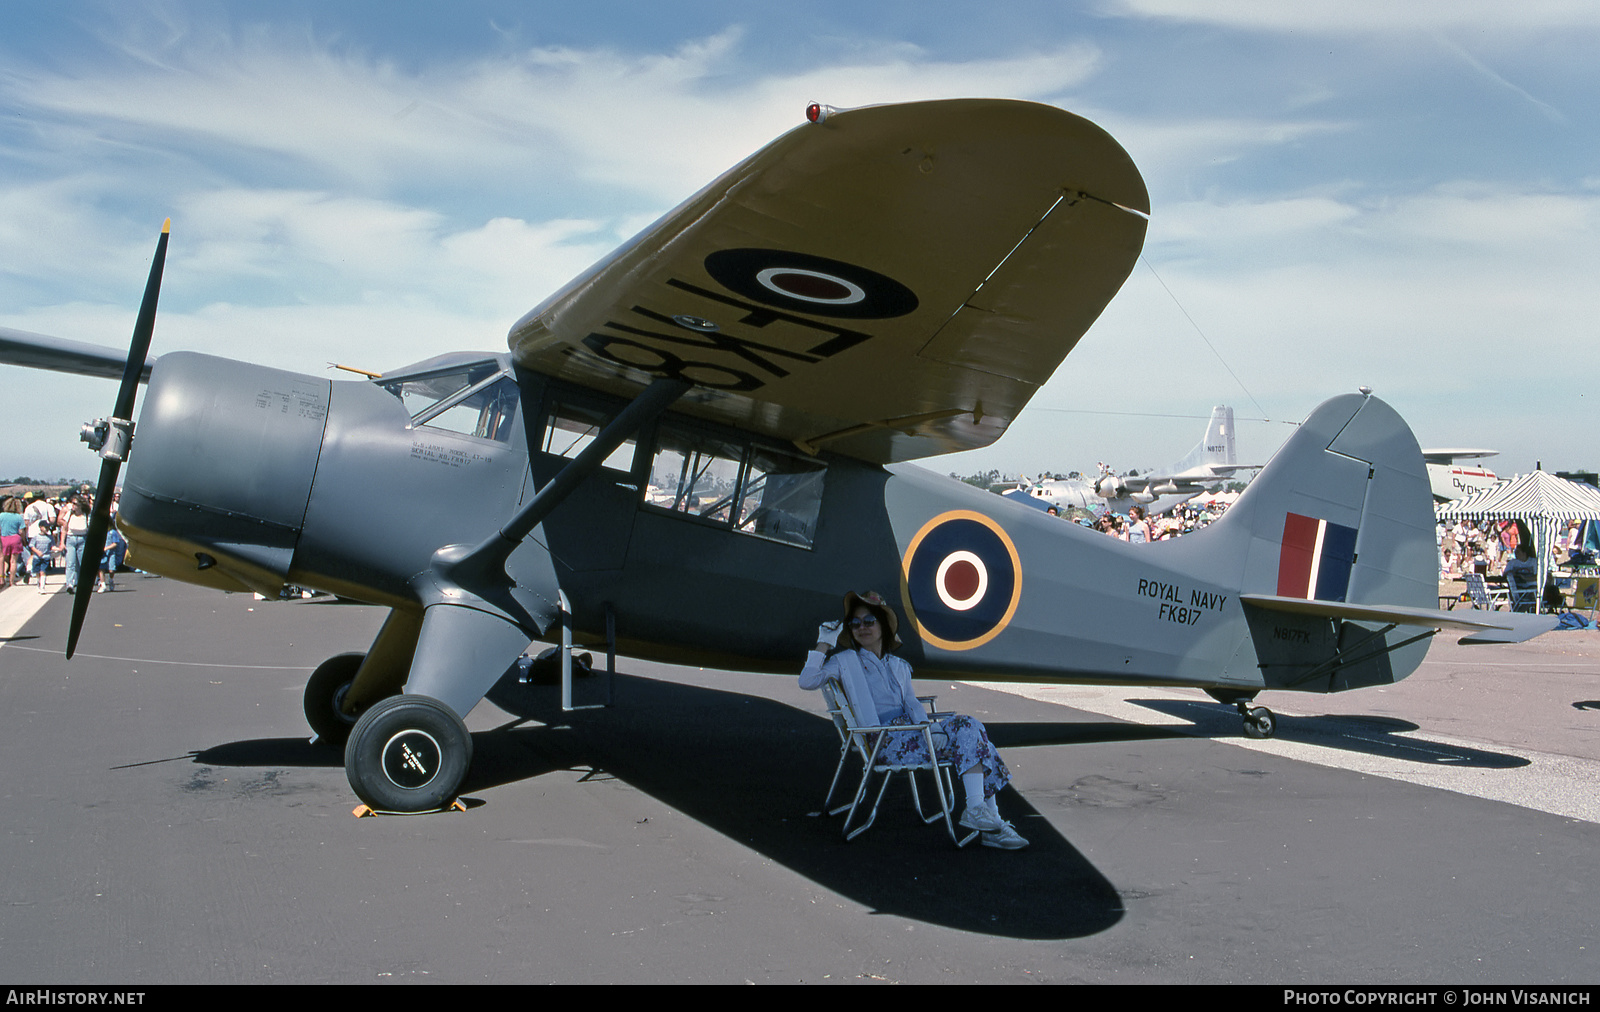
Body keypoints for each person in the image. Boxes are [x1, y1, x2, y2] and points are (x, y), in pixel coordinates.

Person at [798, 590, 1027, 850]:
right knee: (972, 730)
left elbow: (912, 703)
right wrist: (824, 643)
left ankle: (985, 817)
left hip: (913, 734)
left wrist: (933, 729)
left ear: (883, 626)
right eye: (855, 623)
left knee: (975, 735)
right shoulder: (845, 661)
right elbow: (807, 681)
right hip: (884, 741)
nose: (862, 627)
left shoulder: (898, 665)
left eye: (869, 621)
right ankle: (987, 819)